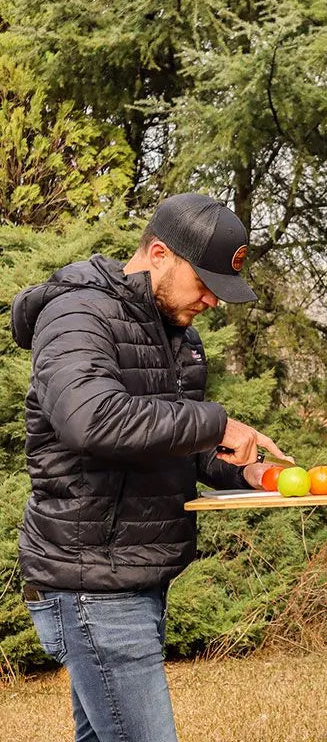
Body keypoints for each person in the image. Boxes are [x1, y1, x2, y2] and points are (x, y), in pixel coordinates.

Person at [9, 193, 285, 742]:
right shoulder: (77, 315)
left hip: (136, 576)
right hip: (92, 580)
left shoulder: (176, 332)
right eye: (203, 282)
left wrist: (243, 472)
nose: (212, 300)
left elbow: (172, 439)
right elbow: (91, 419)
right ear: (159, 254)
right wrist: (216, 424)